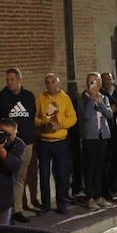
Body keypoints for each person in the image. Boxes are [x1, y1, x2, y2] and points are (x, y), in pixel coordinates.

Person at [0, 69, 39, 217]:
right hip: (9, 144)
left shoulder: (28, 96)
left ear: (19, 80)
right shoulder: (1, 98)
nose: (9, 82)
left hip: (27, 142)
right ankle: (14, 210)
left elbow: (31, 117)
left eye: (12, 79)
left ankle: (20, 206)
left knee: (22, 176)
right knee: (13, 176)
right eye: (7, 80)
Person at [33, 74, 77, 215]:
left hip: (60, 143)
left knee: (61, 174)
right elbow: (34, 117)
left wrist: (61, 125)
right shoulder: (40, 98)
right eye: (48, 82)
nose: (50, 84)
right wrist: (42, 124)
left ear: (58, 83)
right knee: (44, 175)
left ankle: (61, 203)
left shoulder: (65, 99)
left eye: (53, 82)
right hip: (44, 143)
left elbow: (73, 118)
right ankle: (46, 204)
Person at [78, 73, 115, 208]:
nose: (92, 84)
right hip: (90, 137)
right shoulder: (83, 99)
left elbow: (109, 114)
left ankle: (99, 196)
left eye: (95, 82)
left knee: (100, 168)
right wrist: (93, 100)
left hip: (103, 136)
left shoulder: (104, 98)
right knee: (90, 168)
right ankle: (90, 197)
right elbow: (86, 116)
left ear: (99, 83)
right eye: (90, 82)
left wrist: (99, 102)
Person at [0, 119, 28, 224]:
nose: (5, 137)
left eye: (9, 134)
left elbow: (15, 165)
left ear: (15, 134)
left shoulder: (18, 144)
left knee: (2, 232)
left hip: (3, 196)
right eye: (1, 132)